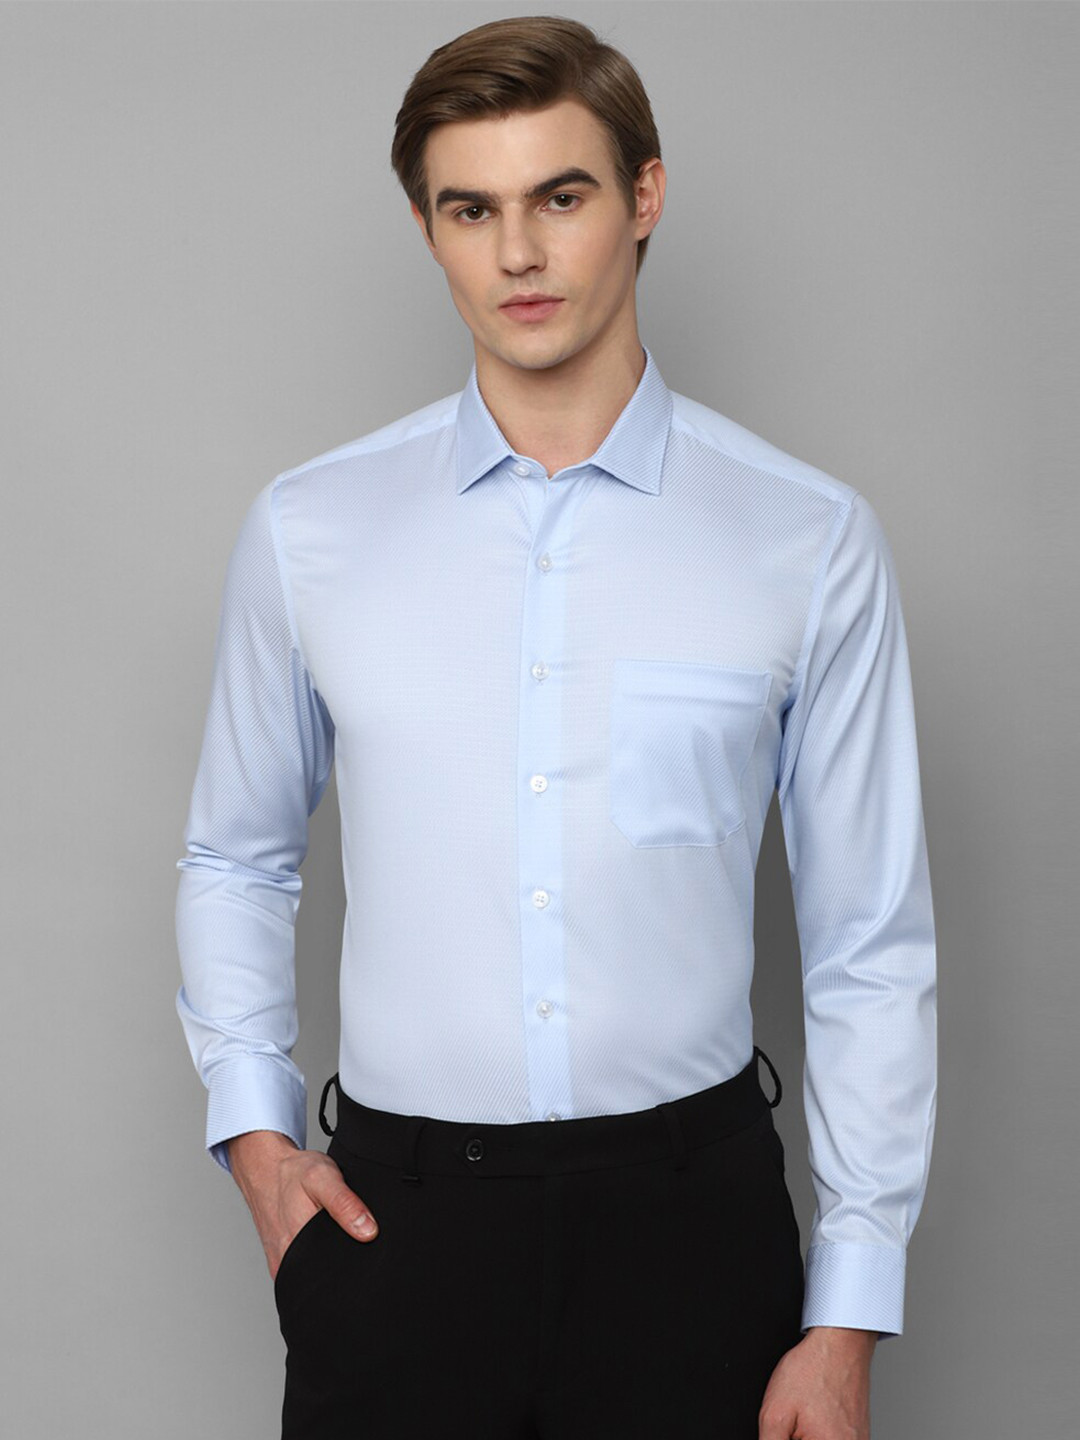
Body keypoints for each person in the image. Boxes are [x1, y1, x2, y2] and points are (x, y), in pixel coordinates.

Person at [174, 15, 937, 1440]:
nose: (519, 253)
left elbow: (867, 943)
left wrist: (849, 1313)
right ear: (428, 230)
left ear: (644, 197)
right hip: (394, 1233)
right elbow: (235, 858)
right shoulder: (310, 530)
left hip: (692, 1233)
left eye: (561, 197)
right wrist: (259, 1145)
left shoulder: (809, 538)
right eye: (472, 210)